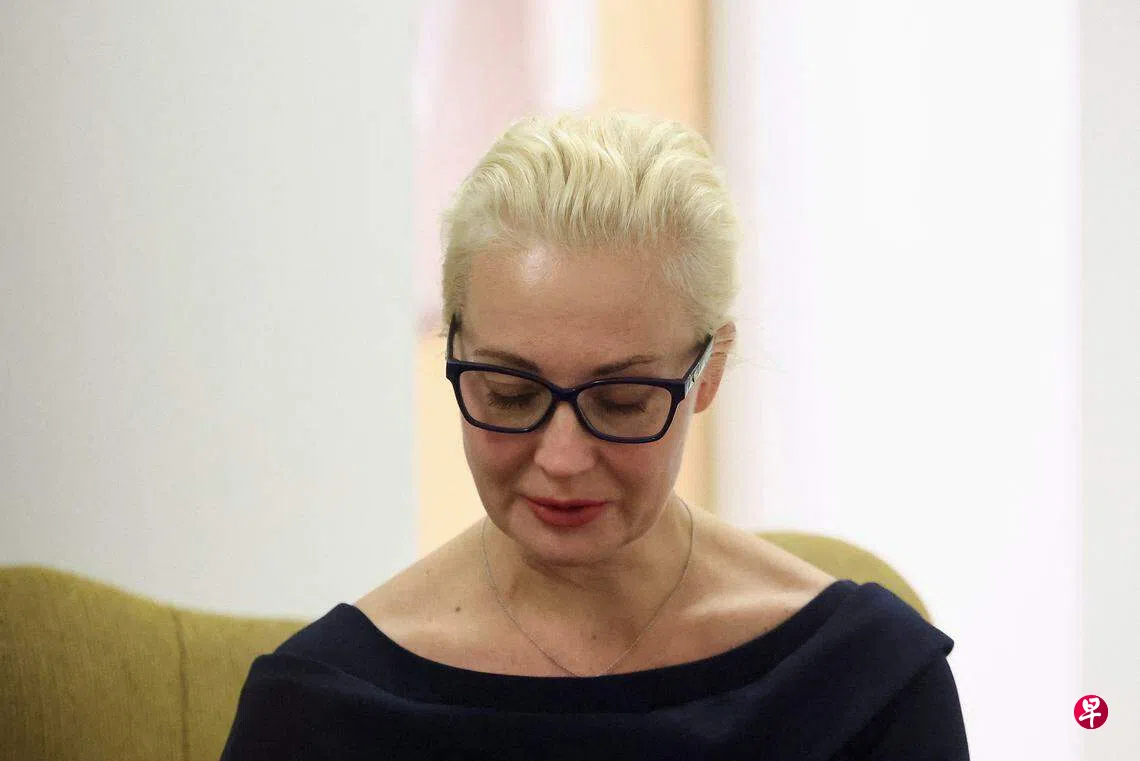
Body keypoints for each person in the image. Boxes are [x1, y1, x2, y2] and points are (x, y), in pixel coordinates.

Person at [219, 111, 969, 760]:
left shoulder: (866, 682)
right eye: (510, 393)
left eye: (620, 402)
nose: (563, 458)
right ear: (453, 354)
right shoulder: (318, 708)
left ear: (708, 373)